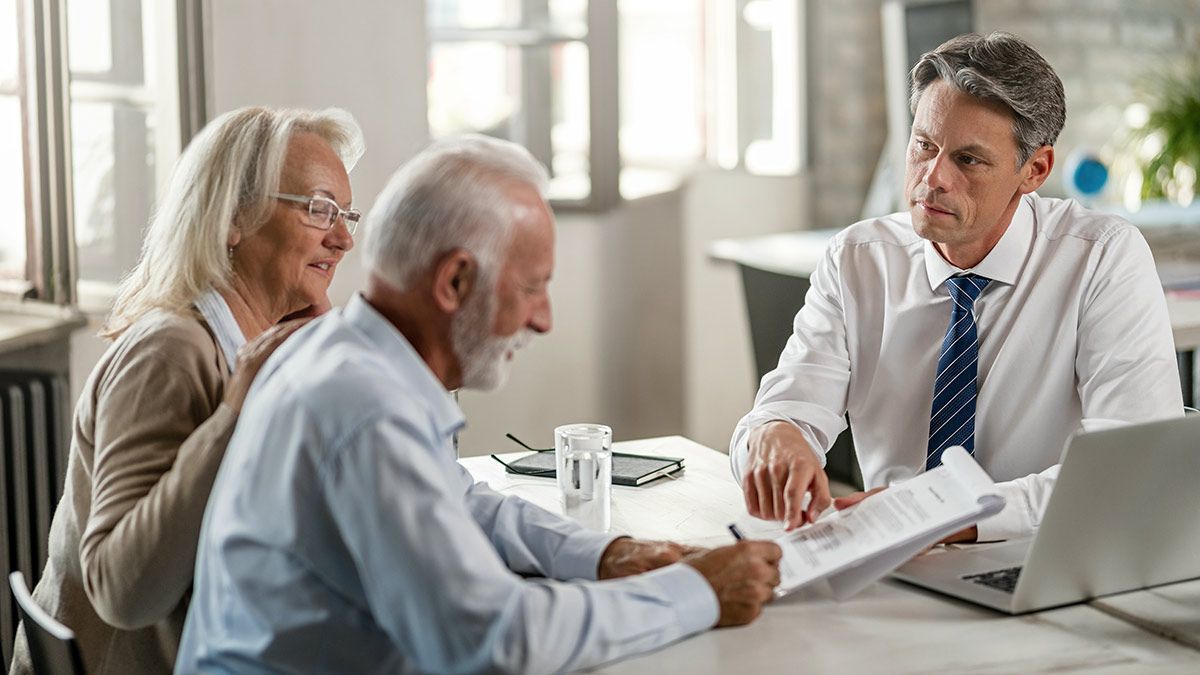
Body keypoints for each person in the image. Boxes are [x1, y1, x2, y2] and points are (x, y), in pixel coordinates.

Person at [175, 135, 783, 674]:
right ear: (454, 282)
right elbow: (492, 637)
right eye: (531, 287)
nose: (543, 319)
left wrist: (608, 554)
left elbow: (460, 500)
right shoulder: (364, 406)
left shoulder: (348, 354)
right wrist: (697, 593)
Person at [731, 32, 1182, 542]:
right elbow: (783, 409)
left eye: (968, 160)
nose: (933, 177)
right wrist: (777, 436)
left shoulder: (1101, 258)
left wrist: (947, 513)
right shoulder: (857, 259)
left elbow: (1134, 467)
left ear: (1034, 170)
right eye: (924, 145)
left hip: (1038, 556)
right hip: (890, 561)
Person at [9, 106, 365, 675]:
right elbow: (123, 593)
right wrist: (236, 415)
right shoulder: (171, 351)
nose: (343, 238)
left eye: (346, 214)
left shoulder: (258, 343)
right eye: (320, 210)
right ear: (233, 219)